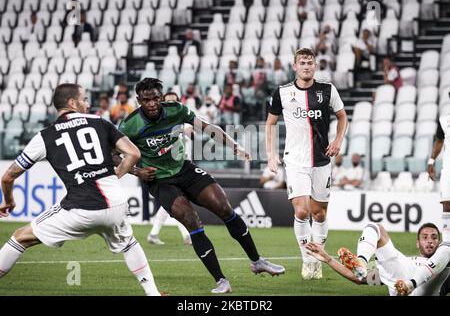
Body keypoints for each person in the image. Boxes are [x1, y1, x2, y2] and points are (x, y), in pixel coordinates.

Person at [117, 77, 285, 294]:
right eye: (146, 100)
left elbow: (207, 127)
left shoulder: (176, 110)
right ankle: (221, 280)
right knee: (192, 221)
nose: (152, 104)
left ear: (161, 97)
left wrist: (235, 146)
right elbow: (113, 155)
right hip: (159, 181)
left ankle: (257, 261)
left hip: (184, 169)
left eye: (156, 98)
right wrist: (137, 171)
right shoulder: (129, 125)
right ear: (139, 100)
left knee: (224, 208)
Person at [0, 83, 160, 296]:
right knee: (129, 242)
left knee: (20, 237)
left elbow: (8, 176)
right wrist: (114, 176)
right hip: (117, 203)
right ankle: (153, 293)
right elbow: (133, 154)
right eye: (84, 99)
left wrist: (9, 201)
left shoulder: (45, 136)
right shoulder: (99, 122)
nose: (88, 103)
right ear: (72, 103)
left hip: (80, 209)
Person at [265, 47, 348, 280]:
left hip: (322, 161)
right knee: (302, 211)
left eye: (310, 62)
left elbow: (342, 117)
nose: (306, 66)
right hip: (295, 160)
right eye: (302, 62)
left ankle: (318, 257)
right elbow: (270, 124)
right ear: (294, 66)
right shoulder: (282, 93)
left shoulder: (327, 90)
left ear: (315, 66)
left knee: (319, 215)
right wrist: (271, 154)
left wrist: (338, 140)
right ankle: (308, 260)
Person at [307, 222, 450, 296]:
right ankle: (362, 262)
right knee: (375, 227)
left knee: (448, 247)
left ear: (438, 242)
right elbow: (358, 279)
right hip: (402, 277)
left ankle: (410, 285)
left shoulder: (445, 265)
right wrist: (328, 259)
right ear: (417, 243)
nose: (430, 241)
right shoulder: (407, 261)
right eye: (425, 237)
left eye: (434, 237)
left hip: (430, 284)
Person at [146, 92, 192, 246]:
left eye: (174, 101)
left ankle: (154, 234)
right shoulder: (158, 126)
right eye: (168, 101)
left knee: (171, 204)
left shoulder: (182, 119)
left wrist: (188, 131)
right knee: (177, 202)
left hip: (182, 167)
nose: (171, 104)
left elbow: (191, 132)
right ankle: (187, 235)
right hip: (166, 170)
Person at [427, 116, 450, 244]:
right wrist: (431, 161)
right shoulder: (444, 120)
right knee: (446, 204)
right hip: (448, 169)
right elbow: (439, 140)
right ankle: (447, 245)